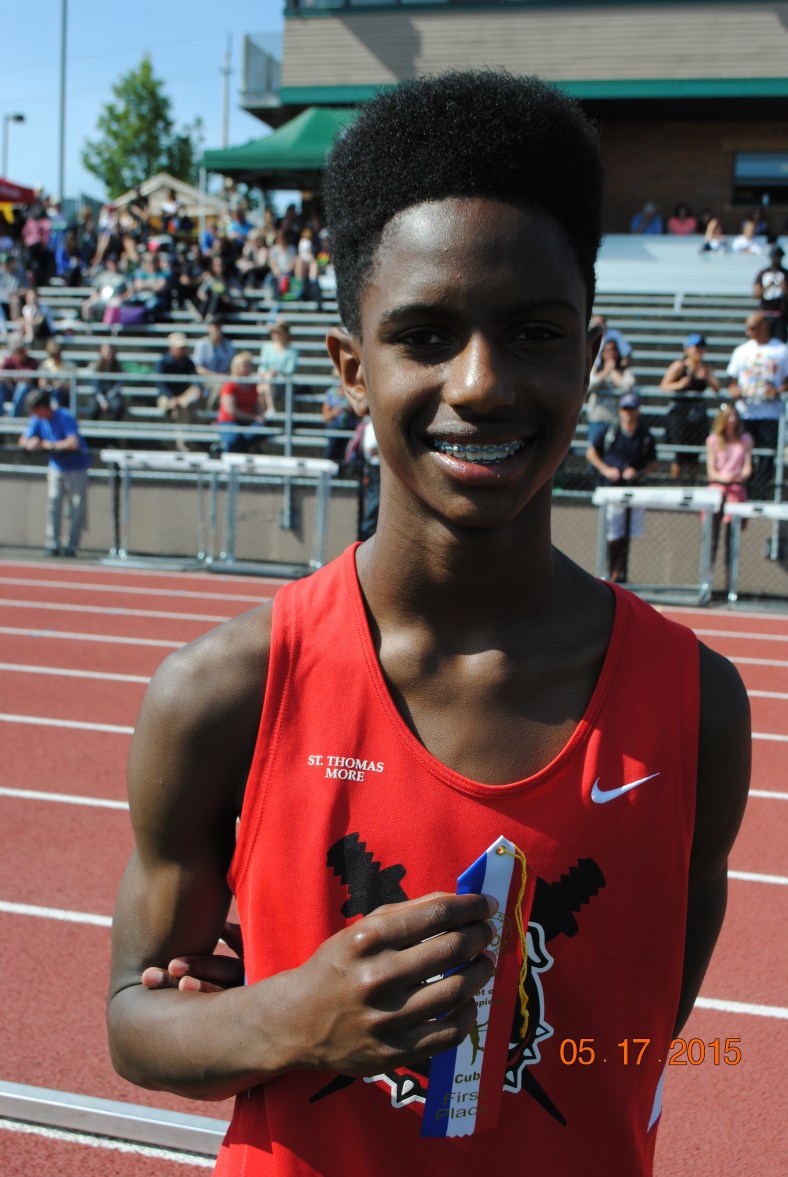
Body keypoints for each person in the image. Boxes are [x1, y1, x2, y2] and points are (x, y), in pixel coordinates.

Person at [108, 71, 750, 1177]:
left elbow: (638, 1037)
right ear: (351, 369)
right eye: (424, 333)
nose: (482, 382)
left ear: (589, 357)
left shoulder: (694, 707)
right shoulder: (221, 691)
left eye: (533, 331)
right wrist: (292, 1017)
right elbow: (136, 1020)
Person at [585, 392, 658, 583]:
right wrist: (606, 470)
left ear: (638, 411)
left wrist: (638, 471)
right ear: (620, 411)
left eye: (632, 409)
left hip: (633, 489)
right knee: (613, 532)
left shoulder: (645, 435)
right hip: (612, 488)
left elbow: (653, 461)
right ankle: (611, 570)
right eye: (626, 409)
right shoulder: (611, 431)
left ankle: (621, 571)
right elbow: (591, 452)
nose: (629, 414)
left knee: (629, 533)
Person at [18, 388, 91, 556]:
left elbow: (73, 443)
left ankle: (71, 545)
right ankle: (53, 543)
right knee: (53, 504)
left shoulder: (64, 416)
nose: (34, 413)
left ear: (44, 407)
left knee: (76, 506)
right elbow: (23, 439)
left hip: (76, 467)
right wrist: (31, 442)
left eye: (35, 409)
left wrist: (49, 445)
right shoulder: (37, 419)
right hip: (56, 467)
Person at [725, 311, 788, 499]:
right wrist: (736, 392)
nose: (748, 332)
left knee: (766, 455)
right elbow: (731, 382)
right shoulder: (742, 351)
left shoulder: (781, 350)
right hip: (746, 412)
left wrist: (776, 391)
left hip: (770, 413)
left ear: (764, 326)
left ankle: (760, 494)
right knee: (743, 453)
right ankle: (743, 491)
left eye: (752, 328)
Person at [659, 332, 721, 483]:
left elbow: (717, 388)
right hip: (680, 415)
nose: (698, 351)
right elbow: (664, 386)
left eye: (701, 347)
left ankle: (691, 483)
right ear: (687, 349)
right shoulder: (680, 366)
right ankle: (676, 484)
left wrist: (706, 377)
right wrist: (680, 385)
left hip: (697, 415)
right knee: (679, 455)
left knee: (694, 456)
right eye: (696, 347)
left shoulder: (706, 369)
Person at [705, 406, 753, 592]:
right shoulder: (713, 440)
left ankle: (729, 585)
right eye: (729, 416)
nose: (732, 419)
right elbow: (711, 470)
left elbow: (748, 467)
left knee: (731, 541)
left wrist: (740, 476)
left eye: (735, 415)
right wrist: (723, 477)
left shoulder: (745, 440)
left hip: (736, 492)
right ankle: (707, 581)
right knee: (712, 540)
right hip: (717, 492)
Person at [585, 338, 636, 448]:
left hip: (617, 420)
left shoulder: (624, 370)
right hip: (597, 418)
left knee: (614, 454)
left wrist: (613, 372)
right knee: (595, 451)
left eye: (613, 350)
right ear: (602, 353)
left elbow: (628, 386)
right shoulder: (596, 369)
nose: (610, 353)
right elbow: (589, 384)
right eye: (607, 350)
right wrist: (605, 372)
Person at [156, 332, 203, 439]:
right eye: (179, 348)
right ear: (171, 348)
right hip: (166, 397)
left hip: (184, 398)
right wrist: (171, 397)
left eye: (183, 347)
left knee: (191, 397)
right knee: (180, 408)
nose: (182, 350)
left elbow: (196, 380)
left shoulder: (189, 362)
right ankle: (182, 440)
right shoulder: (162, 363)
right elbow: (161, 384)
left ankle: (176, 408)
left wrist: (197, 389)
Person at [215, 351, 263, 453]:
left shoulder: (253, 385)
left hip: (248, 422)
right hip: (229, 421)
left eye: (249, 366)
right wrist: (253, 417)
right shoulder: (229, 385)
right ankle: (225, 460)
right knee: (233, 437)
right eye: (244, 366)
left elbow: (258, 406)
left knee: (258, 431)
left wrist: (259, 416)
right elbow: (231, 411)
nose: (247, 368)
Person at [193, 316, 236, 410]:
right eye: (214, 326)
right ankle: (210, 413)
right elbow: (197, 367)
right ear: (209, 328)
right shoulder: (202, 345)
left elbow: (232, 365)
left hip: (225, 377)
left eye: (219, 327)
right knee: (220, 386)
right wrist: (214, 375)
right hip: (205, 378)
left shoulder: (228, 345)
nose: (216, 330)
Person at [257, 322, 298, 416]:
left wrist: (276, 372)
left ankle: (263, 414)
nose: (274, 335)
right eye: (273, 332)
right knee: (264, 385)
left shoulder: (292, 351)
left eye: (277, 332)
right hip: (267, 380)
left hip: (283, 383)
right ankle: (269, 410)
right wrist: (264, 373)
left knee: (262, 387)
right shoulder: (267, 347)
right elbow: (262, 366)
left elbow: (290, 370)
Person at [753, 245, 788, 341]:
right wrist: (768, 287)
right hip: (765, 313)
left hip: (780, 314)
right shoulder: (763, 273)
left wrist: (784, 288)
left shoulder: (786, 273)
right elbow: (756, 294)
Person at [86, 342, 126, 422]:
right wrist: (102, 401)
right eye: (105, 350)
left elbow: (118, 385)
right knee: (93, 408)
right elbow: (95, 387)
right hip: (98, 396)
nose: (108, 353)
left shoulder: (118, 368)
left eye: (110, 351)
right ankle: (92, 433)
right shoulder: (96, 367)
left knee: (118, 406)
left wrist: (109, 397)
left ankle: (114, 430)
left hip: (112, 396)